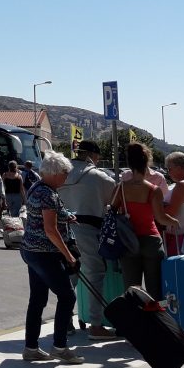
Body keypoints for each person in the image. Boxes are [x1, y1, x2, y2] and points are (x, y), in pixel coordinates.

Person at [20, 152, 85, 365]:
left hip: (30, 250)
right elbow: (50, 229)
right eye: (65, 174)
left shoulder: (37, 187)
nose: (66, 178)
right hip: (44, 253)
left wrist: (66, 216)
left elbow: (46, 215)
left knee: (37, 299)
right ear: (55, 173)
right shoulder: (47, 194)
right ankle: (60, 347)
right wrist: (69, 255)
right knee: (67, 297)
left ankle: (31, 348)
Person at [57, 140, 118, 340]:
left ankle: (65, 321)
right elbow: (115, 200)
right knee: (96, 275)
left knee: (70, 276)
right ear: (93, 155)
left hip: (63, 230)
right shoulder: (98, 176)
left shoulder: (61, 174)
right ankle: (96, 325)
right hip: (88, 229)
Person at [113, 143, 177, 300]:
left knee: (131, 290)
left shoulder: (120, 188)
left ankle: (133, 316)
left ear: (130, 163)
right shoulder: (153, 190)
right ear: (147, 162)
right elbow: (160, 218)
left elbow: (111, 210)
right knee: (155, 290)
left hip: (128, 241)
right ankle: (155, 316)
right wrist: (175, 222)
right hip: (150, 240)